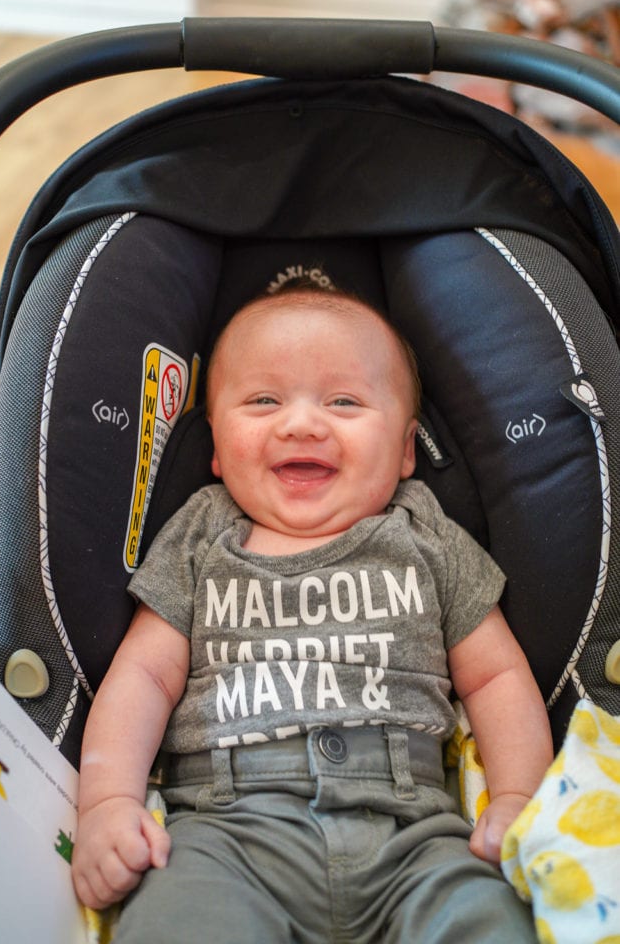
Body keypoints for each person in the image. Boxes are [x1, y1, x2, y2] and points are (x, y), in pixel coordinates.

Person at [71, 283, 553, 942]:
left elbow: (495, 678)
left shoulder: (426, 535)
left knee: (486, 923)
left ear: (407, 450)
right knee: (177, 922)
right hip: (228, 836)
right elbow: (144, 678)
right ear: (215, 448)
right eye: (263, 400)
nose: (300, 423)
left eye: (344, 401)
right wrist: (107, 803)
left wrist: (517, 800)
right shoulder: (198, 536)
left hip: (414, 838)